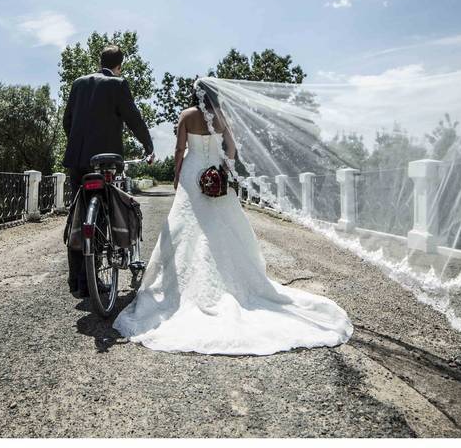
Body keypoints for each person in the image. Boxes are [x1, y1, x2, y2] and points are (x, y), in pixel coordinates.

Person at [113, 81, 352, 355]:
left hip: (193, 173)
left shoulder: (187, 115)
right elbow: (232, 148)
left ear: (194, 94)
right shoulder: (222, 116)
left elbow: (180, 150)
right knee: (222, 226)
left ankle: (181, 287)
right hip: (215, 171)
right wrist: (223, 168)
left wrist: (178, 174)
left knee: (186, 228)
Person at [62, 45, 154, 297]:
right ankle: (96, 273)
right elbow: (133, 118)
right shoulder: (118, 84)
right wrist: (148, 146)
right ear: (119, 65)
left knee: (78, 215)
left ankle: (77, 282)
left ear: (99, 60)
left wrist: (79, 145)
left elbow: (67, 121)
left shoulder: (79, 83)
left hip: (78, 160)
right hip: (105, 161)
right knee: (102, 215)